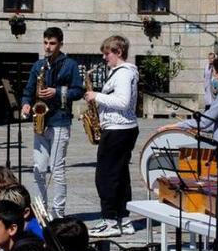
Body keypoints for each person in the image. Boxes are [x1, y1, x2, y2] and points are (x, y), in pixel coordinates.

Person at [20, 28, 83, 219]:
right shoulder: (39, 65)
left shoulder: (70, 64)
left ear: (60, 44)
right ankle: (40, 211)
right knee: (38, 168)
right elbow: (29, 90)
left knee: (57, 169)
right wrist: (25, 104)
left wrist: (56, 92)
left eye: (52, 43)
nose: (48, 47)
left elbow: (78, 91)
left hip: (60, 121)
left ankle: (58, 213)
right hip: (41, 122)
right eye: (46, 42)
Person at [86, 35, 140, 238]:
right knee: (120, 176)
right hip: (123, 129)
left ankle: (109, 220)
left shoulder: (123, 74)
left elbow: (123, 101)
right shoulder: (121, 73)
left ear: (118, 52)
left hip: (118, 130)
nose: (104, 57)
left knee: (105, 177)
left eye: (107, 53)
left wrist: (96, 96)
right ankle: (123, 219)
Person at [158, 55, 218, 144]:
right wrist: (194, 128)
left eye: (213, 71)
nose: (212, 73)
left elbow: (204, 122)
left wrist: (174, 126)